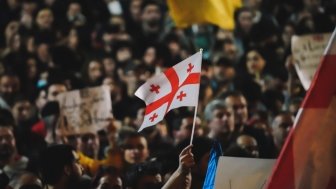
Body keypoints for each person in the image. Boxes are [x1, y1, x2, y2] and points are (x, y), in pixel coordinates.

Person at [0, 121, 31, 189]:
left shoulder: (28, 164)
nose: (4, 142)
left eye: (8, 137)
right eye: (0, 138)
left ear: (14, 140)